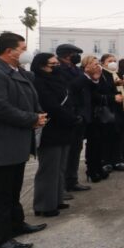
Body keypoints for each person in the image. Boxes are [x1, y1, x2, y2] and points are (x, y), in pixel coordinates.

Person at [0, 32, 47, 248]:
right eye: (22, 48)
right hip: (1, 142)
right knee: (2, 193)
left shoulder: (16, 71)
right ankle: (0, 239)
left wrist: (37, 114)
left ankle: (16, 224)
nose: (26, 52)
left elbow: (28, 97)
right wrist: (32, 119)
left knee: (14, 188)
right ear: (9, 51)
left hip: (16, 141)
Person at [31, 53, 82, 217]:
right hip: (50, 129)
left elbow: (68, 100)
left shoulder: (59, 80)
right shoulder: (38, 82)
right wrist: (70, 118)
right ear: (41, 66)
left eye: (56, 64)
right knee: (49, 169)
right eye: (52, 65)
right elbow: (50, 105)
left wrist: (73, 117)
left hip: (64, 128)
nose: (56, 67)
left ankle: (57, 199)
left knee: (60, 167)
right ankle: (44, 205)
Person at [56, 43, 91, 193]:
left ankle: (72, 180)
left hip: (79, 114)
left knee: (76, 149)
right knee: (66, 152)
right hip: (68, 114)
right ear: (66, 55)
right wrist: (86, 76)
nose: (77, 57)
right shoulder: (58, 69)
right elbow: (70, 87)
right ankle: (62, 185)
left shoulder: (76, 69)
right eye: (74, 54)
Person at [74, 55, 108, 182]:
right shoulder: (82, 78)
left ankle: (98, 167)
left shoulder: (97, 77)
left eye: (98, 64)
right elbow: (91, 95)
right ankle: (92, 171)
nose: (97, 66)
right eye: (95, 64)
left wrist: (97, 79)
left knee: (99, 143)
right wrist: (94, 80)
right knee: (92, 144)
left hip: (97, 114)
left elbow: (102, 91)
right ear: (86, 66)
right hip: (88, 115)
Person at [99, 54, 124, 173]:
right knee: (107, 136)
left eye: (115, 61)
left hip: (119, 108)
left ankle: (117, 160)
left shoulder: (117, 74)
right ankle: (106, 161)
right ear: (103, 63)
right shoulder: (101, 74)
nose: (113, 63)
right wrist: (115, 89)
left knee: (118, 135)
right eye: (110, 61)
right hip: (108, 109)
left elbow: (122, 89)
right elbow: (102, 90)